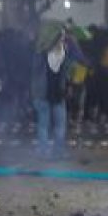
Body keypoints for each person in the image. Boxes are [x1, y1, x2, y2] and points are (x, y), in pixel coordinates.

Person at [31, 25, 86, 157]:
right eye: (61, 39)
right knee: (58, 125)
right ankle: (57, 150)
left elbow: (34, 71)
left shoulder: (42, 53)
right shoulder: (62, 54)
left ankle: (44, 150)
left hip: (47, 93)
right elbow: (79, 58)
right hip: (52, 93)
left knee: (45, 124)